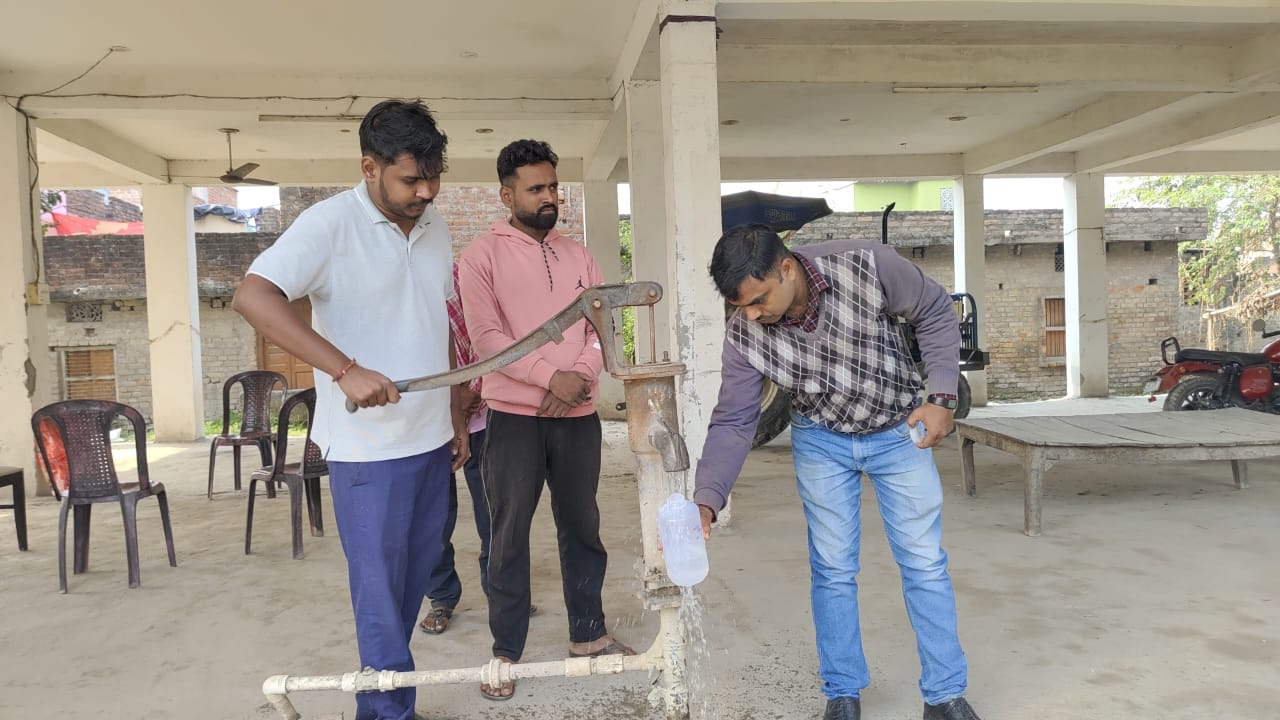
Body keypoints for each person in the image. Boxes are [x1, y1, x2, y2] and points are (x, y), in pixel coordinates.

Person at [232, 99, 467, 720]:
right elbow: (253, 296)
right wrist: (343, 369)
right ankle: (387, 713)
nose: (426, 191)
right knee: (379, 598)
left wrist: (458, 412)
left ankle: (382, 701)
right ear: (369, 167)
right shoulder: (328, 224)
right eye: (411, 179)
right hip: (368, 451)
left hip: (429, 436)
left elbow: (436, 321)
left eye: (433, 176)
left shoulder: (435, 224)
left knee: (409, 585)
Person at [691, 224, 982, 720]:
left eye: (758, 300)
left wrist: (941, 397)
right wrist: (707, 498)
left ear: (786, 269)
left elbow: (934, 310)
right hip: (822, 439)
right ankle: (843, 692)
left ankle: (945, 695)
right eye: (741, 306)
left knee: (924, 563)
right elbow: (735, 419)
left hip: (897, 431)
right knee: (832, 569)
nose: (752, 314)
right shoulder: (744, 333)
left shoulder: (867, 265)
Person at [458, 138, 632, 701]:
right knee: (508, 534)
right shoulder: (480, 256)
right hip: (512, 418)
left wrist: (578, 378)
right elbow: (487, 338)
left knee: (582, 525)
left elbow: (599, 327)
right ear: (507, 194)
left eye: (554, 186)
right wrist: (545, 379)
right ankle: (506, 651)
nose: (549, 197)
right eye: (536, 189)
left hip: (577, 414)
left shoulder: (580, 255)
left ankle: (589, 635)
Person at [417, 263, 537, 634]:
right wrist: (453, 405)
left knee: (496, 512)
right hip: (427, 422)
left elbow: (499, 343)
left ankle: (501, 591)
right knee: (434, 518)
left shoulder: (466, 277)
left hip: (485, 414)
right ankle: (441, 597)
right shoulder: (404, 293)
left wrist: (475, 393)